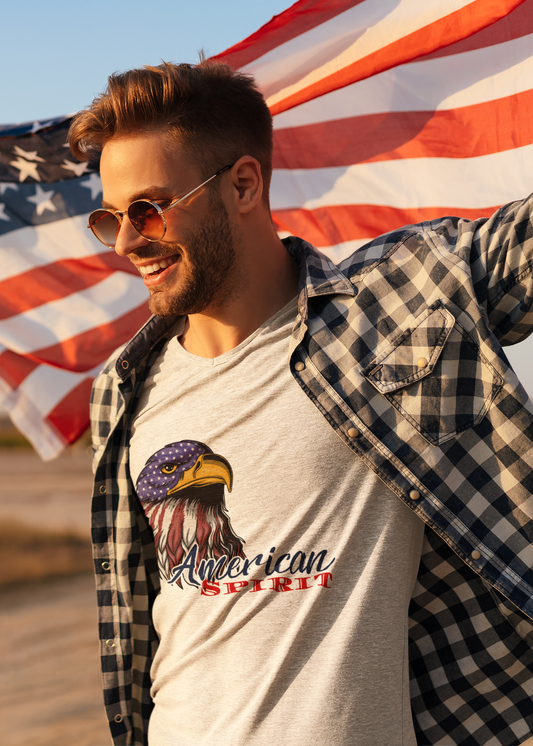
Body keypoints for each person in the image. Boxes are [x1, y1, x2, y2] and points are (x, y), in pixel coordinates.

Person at [68, 61, 533, 746]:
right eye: (111, 217)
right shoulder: (122, 389)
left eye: (150, 208)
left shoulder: (395, 305)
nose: (130, 241)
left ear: (244, 183)